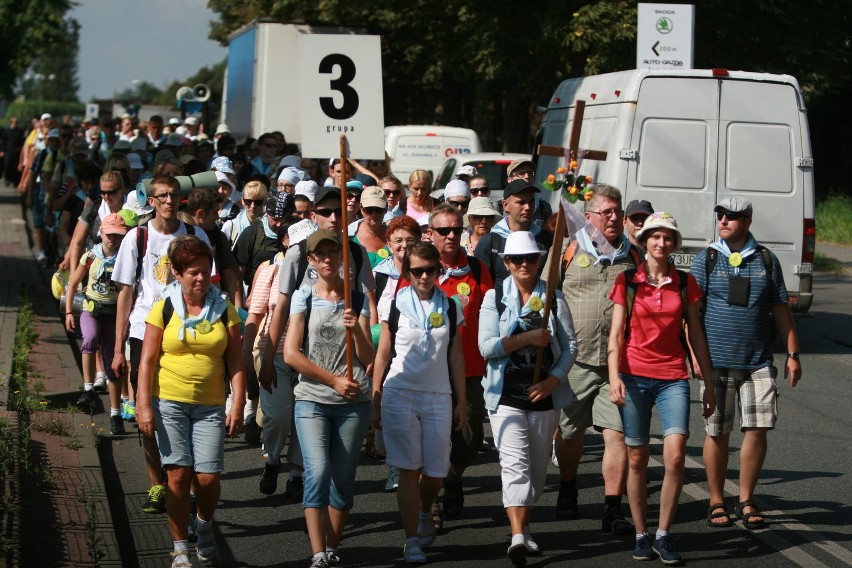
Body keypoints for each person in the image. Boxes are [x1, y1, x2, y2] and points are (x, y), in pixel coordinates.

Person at [607, 212, 715, 564]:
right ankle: (641, 534)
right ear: (646, 239)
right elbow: (616, 335)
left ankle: (665, 534)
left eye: (668, 238)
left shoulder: (685, 283)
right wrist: (614, 377)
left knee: (676, 454)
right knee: (636, 459)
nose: (661, 243)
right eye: (655, 236)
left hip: (673, 377)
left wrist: (708, 383)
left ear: (674, 244)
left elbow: (695, 333)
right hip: (634, 376)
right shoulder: (627, 281)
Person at [690, 197, 802, 532]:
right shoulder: (707, 258)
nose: (723, 220)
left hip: (757, 361)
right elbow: (691, 314)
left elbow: (781, 309)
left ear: (748, 221)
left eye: (731, 216)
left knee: (757, 428)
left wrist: (793, 355)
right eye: (720, 215)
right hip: (716, 363)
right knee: (717, 431)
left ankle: (746, 499)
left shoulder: (765, 259)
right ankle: (715, 500)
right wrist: (696, 357)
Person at [135, 235, 246, 568]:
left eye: (205, 271)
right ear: (179, 274)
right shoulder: (163, 307)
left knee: (209, 478)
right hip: (169, 402)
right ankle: (180, 546)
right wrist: (143, 405)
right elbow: (147, 361)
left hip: (210, 405)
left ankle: (204, 524)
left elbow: (236, 362)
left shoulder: (224, 309)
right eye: (193, 272)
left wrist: (237, 403)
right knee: (178, 477)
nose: (200, 278)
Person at [111, 175, 213, 515]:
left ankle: (187, 481)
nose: (170, 201)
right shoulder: (136, 237)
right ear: (151, 201)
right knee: (149, 413)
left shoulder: (195, 235)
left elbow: (207, 286)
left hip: (188, 332)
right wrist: (117, 347)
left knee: (188, 408)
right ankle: (158, 484)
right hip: (145, 329)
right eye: (162, 196)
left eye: (174, 195)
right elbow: (125, 293)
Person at [479, 230, 578, 567]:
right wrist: (526, 338)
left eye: (530, 258)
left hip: (543, 397)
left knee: (536, 473)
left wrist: (553, 381)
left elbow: (570, 347)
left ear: (538, 262)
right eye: (516, 259)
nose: (524, 264)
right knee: (515, 465)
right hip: (505, 394)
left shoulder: (554, 297)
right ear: (506, 263)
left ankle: (525, 526)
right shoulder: (495, 298)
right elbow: (486, 347)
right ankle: (518, 535)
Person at [284, 229, 375, 568]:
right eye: (319, 254)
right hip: (313, 398)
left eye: (332, 253)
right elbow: (292, 354)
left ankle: (332, 547)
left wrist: (356, 330)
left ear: (341, 257)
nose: (326, 259)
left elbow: (369, 355)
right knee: (318, 470)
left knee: (343, 477)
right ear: (310, 260)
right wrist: (333, 380)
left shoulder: (357, 298)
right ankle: (317, 551)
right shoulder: (303, 296)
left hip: (354, 401)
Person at [371, 242, 466, 564]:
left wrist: (461, 400)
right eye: (417, 270)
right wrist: (375, 395)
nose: (424, 276)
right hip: (400, 393)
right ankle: (411, 538)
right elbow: (383, 353)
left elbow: (455, 355)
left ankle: (427, 510)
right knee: (409, 469)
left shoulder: (451, 307)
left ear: (439, 270)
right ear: (407, 272)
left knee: (437, 472)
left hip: (439, 395)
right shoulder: (395, 304)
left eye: (430, 270)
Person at [553, 184, 640, 532]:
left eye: (617, 212)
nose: (614, 218)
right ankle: (568, 486)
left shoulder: (632, 256)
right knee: (570, 434)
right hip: (575, 362)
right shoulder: (568, 250)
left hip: (618, 365)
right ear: (587, 217)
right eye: (606, 212)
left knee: (615, 434)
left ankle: (611, 506)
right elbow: (543, 297)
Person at [419, 204, 493, 525]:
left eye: (455, 230)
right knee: (431, 439)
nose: (451, 236)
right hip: (429, 372)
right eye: (443, 231)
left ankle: (454, 476)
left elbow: (491, 312)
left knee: (469, 439)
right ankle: (431, 501)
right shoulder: (420, 270)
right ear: (430, 234)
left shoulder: (475, 270)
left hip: (471, 370)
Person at [245, 221, 304, 498]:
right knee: (278, 416)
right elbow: (255, 315)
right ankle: (272, 460)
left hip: (310, 358)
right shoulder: (270, 271)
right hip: (274, 353)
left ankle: (297, 474)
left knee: (304, 419)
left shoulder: (324, 275)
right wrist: (250, 359)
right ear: (285, 242)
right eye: (298, 244)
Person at [64, 213, 133, 435]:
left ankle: (115, 414)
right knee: (90, 339)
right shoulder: (90, 257)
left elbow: (129, 290)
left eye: (117, 235)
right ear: (100, 233)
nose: (112, 239)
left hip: (114, 316)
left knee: (113, 364)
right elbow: (73, 283)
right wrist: (68, 311)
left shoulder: (126, 258)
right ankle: (88, 388)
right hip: (91, 310)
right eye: (109, 234)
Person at [474, 179, 552, 294]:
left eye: (531, 202)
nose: (528, 207)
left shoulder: (546, 239)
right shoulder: (490, 242)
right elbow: (480, 286)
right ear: (505, 205)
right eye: (521, 202)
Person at [506, 159, 552, 233]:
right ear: (510, 179)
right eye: (521, 173)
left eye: (530, 173)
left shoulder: (544, 207)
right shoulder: (499, 207)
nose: (527, 176)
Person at [349, 186, 389, 268]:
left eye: (379, 209)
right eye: (369, 209)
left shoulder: (394, 236)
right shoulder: (348, 236)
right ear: (361, 208)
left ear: (386, 209)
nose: (374, 214)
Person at [222, 180, 267, 247]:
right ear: (242, 201)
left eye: (258, 202)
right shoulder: (230, 226)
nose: (252, 206)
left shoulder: (271, 227)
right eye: (248, 201)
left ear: (265, 202)